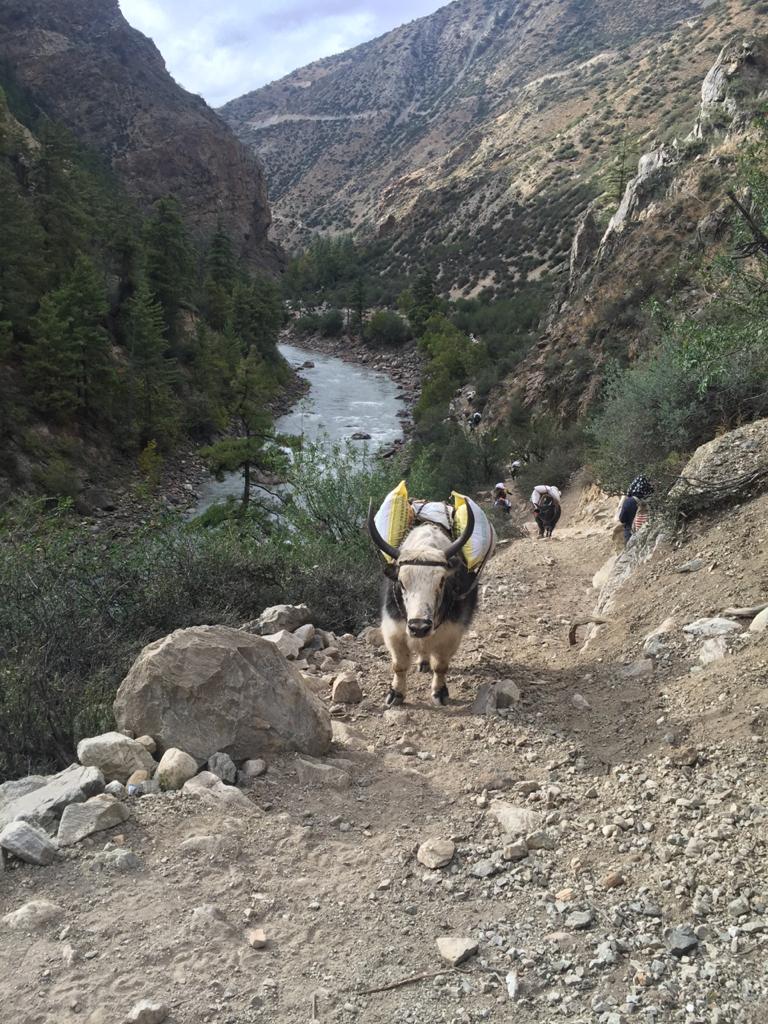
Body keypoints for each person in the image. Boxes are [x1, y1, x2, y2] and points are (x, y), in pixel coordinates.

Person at [617, 475, 654, 544]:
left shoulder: (629, 501)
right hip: (646, 533)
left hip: (630, 533)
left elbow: (622, 519)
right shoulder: (651, 501)